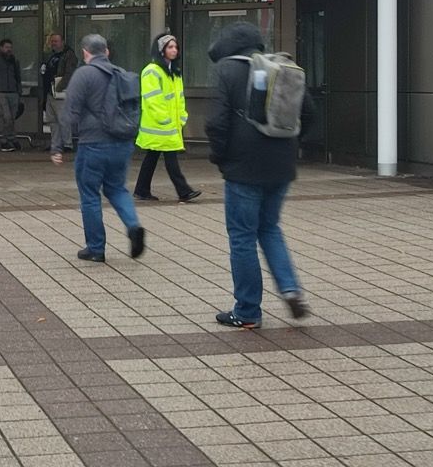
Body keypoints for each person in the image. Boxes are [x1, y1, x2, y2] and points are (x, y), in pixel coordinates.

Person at [205, 22, 315, 329]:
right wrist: (289, 144)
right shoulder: (282, 66)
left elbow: (216, 123)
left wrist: (220, 158)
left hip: (243, 168)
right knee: (269, 228)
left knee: (242, 237)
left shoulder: (226, 70)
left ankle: (247, 311)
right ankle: (290, 289)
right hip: (281, 166)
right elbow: (309, 114)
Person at [50, 34, 145, 263]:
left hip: (93, 144)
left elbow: (69, 113)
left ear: (85, 52)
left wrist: (57, 146)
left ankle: (95, 248)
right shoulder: (121, 74)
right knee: (117, 189)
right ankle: (133, 225)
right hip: (122, 143)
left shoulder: (83, 74)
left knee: (90, 194)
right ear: (107, 52)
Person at [133, 33, 201, 203]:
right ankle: (184, 191)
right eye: (170, 47)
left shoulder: (174, 72)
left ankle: (141, 190)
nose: (174, 50)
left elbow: (179, 98)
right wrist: (166, 120)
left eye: (175, 47)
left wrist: (182, 117)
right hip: (159, 125)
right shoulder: (151, 71)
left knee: (151, 157)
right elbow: (153, 99)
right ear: (161, 50)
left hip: (167, 125)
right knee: (171, 159)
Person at [40, 33, 78, 151]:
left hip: (60, 92)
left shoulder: (69, 55)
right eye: (52, 41)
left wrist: (59, 87)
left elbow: (69, 73)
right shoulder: (51, 56)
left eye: (56, 41)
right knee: (52, 120)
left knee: (63, 119)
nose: (53, 44)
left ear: (62, 42)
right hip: (50, 91)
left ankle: (67, 144)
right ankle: (56, 143)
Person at [0, 38, 22, 152]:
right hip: (1, 92)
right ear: (1, 48)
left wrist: (19, 92)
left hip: (13, 92)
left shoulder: (14, 61)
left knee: (12, 118)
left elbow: (18, 78)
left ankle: (11, 138)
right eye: (6, 47)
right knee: (7, 117)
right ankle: (5, 140)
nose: (9, 49)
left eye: (10, 47)